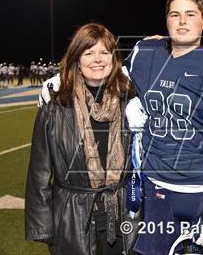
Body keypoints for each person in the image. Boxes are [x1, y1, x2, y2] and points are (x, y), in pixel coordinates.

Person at [125, 0, 203, 254]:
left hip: (200, 193)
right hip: (155, 189)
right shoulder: (144, 54)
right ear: (166, 20)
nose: (182, 21)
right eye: (175, 14)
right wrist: (61, 79)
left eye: (190, 14)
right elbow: (102, 76)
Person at [25, 23, 139, 255]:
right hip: (73, 215)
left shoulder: (132, 101)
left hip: (121, 214)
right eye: (88, 53)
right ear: (77, 59)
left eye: (104, 52)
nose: (97, 59)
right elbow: (39, 173)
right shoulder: (55, 108)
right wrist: (44, 226)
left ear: (113, 59)